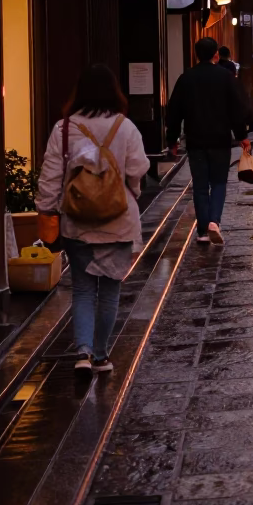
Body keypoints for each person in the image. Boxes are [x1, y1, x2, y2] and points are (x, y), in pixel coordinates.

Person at [36, 64, 150, 374]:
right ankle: (100, 355)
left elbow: (50, 176)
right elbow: (138, 169)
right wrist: (131, 191)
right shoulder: (125, 127)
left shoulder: (64, 129)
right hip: (118, 220)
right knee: (110, 289)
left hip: (77, 220)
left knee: (83, 289)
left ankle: (83, 352)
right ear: (114, 92)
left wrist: (46, 209)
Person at [166, 36, 252, 245]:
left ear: (196, 54)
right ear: (215, 54)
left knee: (200, 185)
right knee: (219, 182)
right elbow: (236, 109)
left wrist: (172, 140)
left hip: (196, 140)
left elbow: (174, 111)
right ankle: (214, 220)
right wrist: (241, 135)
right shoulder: (225, 77)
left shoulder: (186, 78)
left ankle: (203, 231)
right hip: (220, 139)